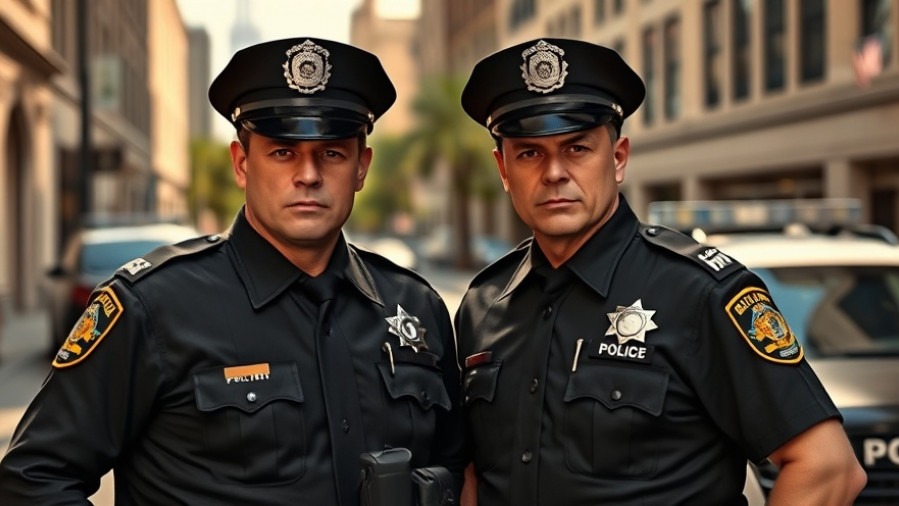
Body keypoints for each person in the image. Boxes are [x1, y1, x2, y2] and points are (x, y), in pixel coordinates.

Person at [0, 37, 465, 505]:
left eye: (332, 153)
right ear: (242, 164)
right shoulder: (152, 306)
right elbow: (35, 478)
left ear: (361, 167)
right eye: (283, 152)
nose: (308, 175)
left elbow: (457, 470)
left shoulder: (415, 307)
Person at [454, 38, 866, 505]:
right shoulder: (484, 304)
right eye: (529, 153)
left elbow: (828, 468)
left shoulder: (699, 292)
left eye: (577, 148)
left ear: (618, 157)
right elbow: (477, 474)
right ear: (503, 170)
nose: (554, 173)